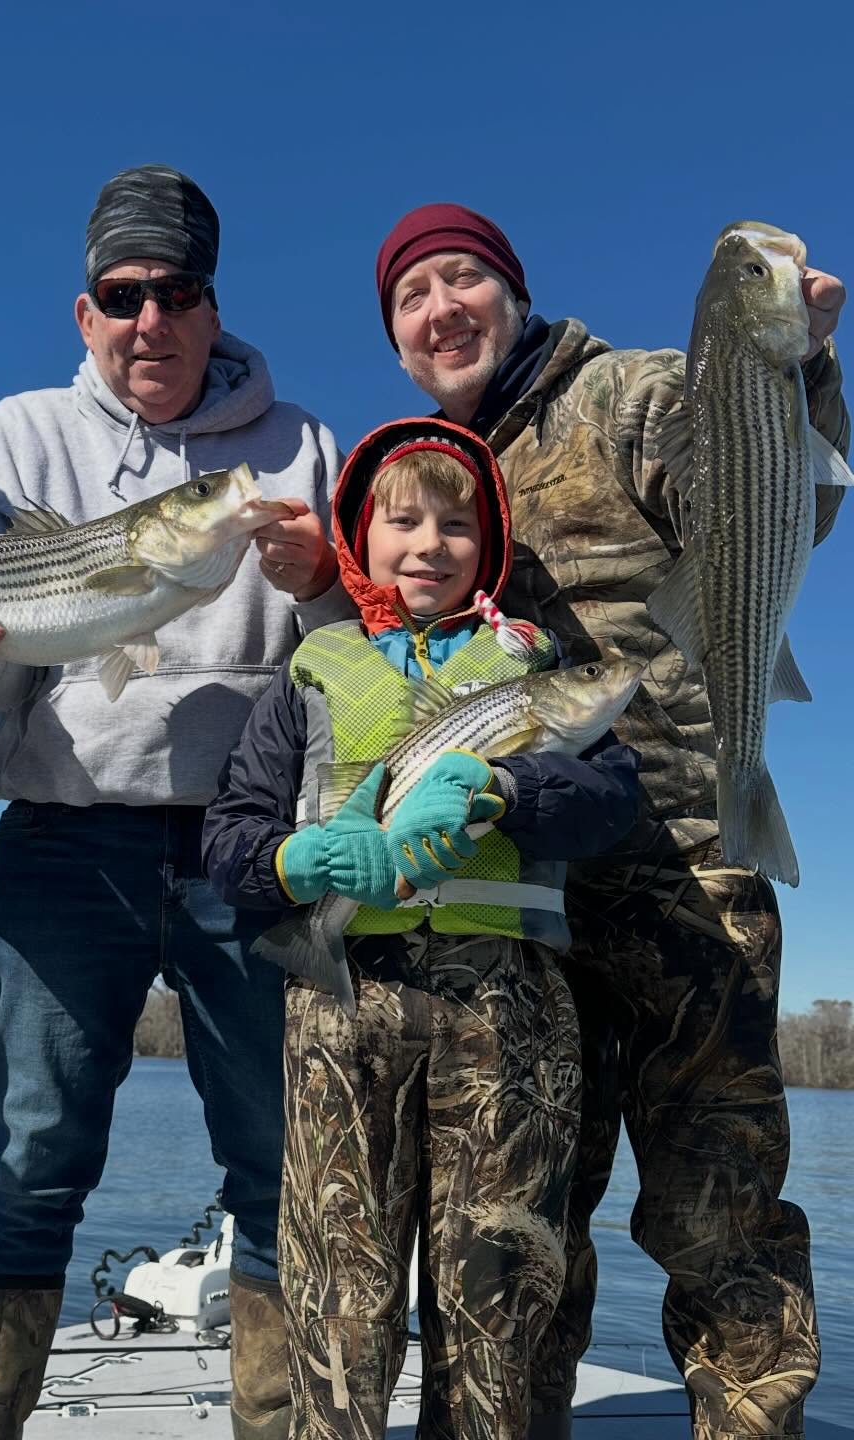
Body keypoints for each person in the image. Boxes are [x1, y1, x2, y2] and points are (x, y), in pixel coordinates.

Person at [373, 203, 848, 1438]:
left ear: (515, 292)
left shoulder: (632, 392)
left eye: (464, 278)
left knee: (718, 1210)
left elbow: (774, 504)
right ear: (399, 342)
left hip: (683, 860)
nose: (442, 309)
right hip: (518, 898)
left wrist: (800, 371)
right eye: (412, 297)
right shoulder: (437, 482)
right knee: (516, 1231)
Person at [0, 164, 348, 1440]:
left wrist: (319, 584)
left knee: (281, 1166)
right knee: (29, 1159)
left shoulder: (301, 446)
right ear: (85, 311)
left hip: (251, 849)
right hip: (65, 844)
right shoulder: (13, 439)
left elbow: (352, 663)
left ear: (214, 308)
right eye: (122, 294)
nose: (150, 320)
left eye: (179, 292)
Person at [203, 419, 640, 1439]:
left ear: (490, 544)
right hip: (343, 1002)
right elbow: (231, 836)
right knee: (338, 1291)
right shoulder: (314, 668)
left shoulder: (532, 661)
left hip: (507, 1007)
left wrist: (508, 790)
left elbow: (611, 802)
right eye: (403, 523)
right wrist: (298, 862)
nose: (430, 545)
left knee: (494, 1290)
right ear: (361, 538)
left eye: (458, 525)